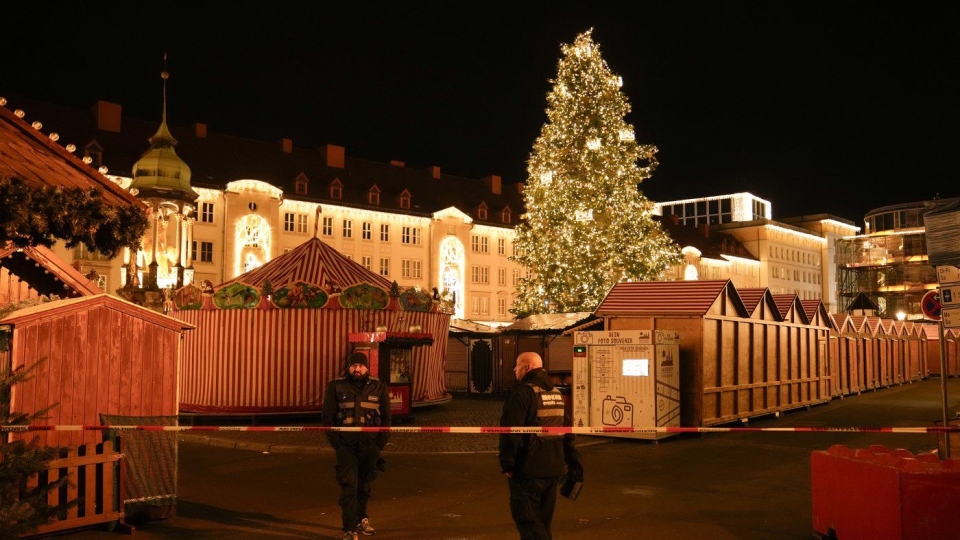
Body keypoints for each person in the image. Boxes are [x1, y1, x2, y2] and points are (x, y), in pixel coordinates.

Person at [499, 352, 583, 540]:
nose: (514, 369)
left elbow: (510, 432)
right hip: (553, 469)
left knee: (528, 522)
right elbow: (567, 431)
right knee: (542, 523)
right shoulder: (556, 394)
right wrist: (572, 460)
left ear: (527, 367)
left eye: (517, 365)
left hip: (528, 470)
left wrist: (508, 464)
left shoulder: (522, 393)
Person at [322, 352, 391, 540]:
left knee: (365, 485)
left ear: (367, 368)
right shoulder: (336, 386)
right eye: (354, 366)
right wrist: (338, 445)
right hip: (346, 446)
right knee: (349, 485)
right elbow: (327, 419)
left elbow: (386, 419)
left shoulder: (378, 387)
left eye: (361, 366)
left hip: (370, 446)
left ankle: (362, 520)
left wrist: (379, 446)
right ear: (349, 368)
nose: (357, 369)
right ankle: (349, 529)